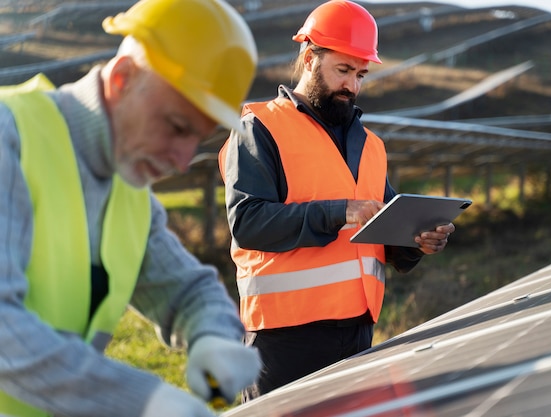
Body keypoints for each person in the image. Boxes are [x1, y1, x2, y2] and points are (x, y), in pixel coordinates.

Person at [0, 0, 261, 416]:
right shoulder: (8, 136)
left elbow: (189, 290)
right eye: (176, 127)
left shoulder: (130, 191)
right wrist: (141, 401)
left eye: (197, 139)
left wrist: (214, 335)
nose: (181, 160)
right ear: (122, 79)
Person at [219, 0, 456, 401]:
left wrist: (417, 241)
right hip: (285, 342)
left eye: (361, 74)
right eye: (343, 70)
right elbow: (248, 222)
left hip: (358, 334)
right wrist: (339, 213)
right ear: (309, 59)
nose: (352, 85)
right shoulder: (259, 129)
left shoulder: (370, 145)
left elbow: (385, 232)